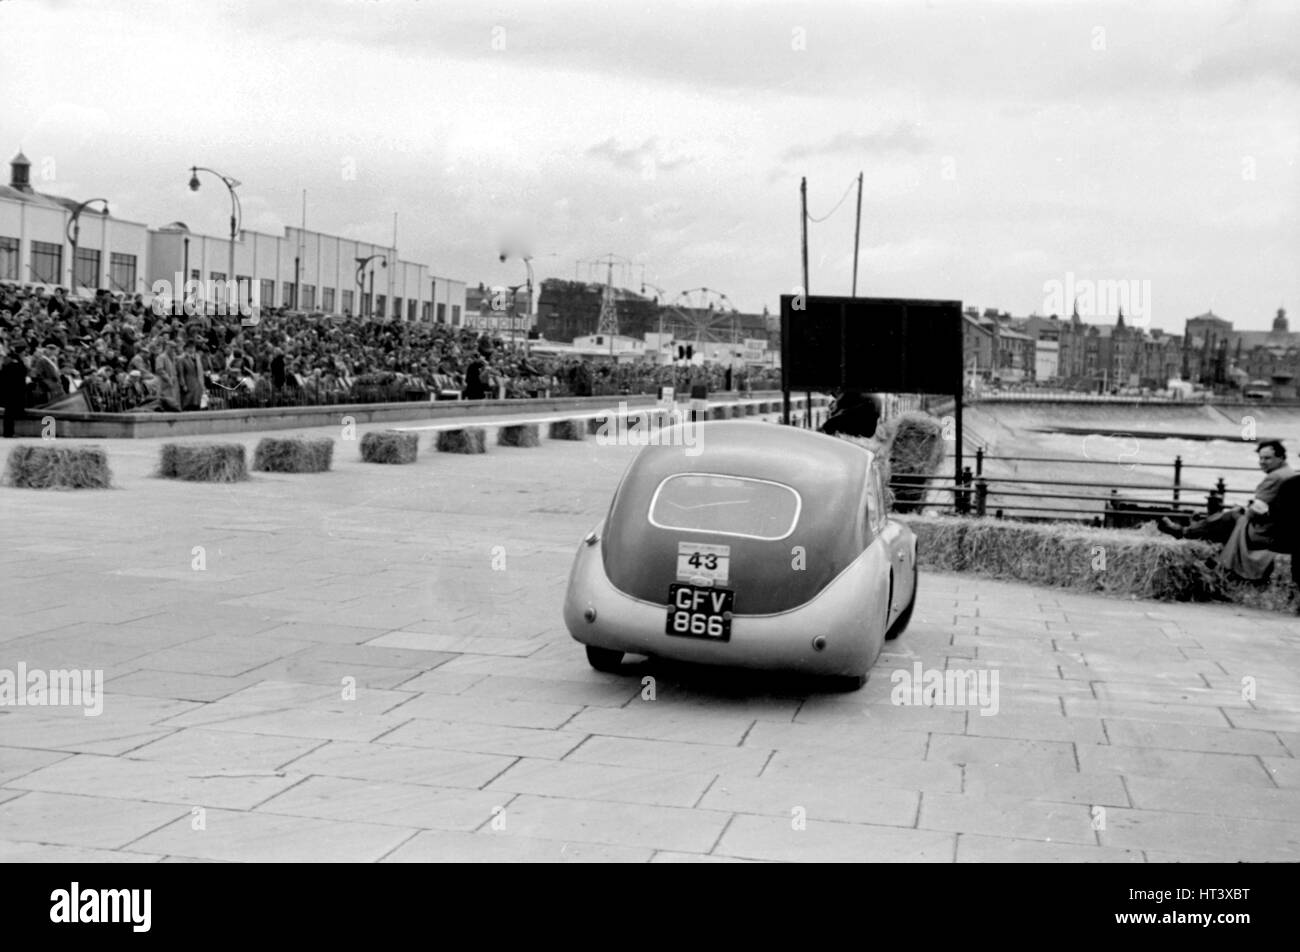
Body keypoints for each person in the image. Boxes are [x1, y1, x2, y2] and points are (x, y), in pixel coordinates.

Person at [1158, 440, 1296, 579]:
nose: (1262, 462)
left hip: (1265, 533)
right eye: (1260, 458)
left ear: (1281, 458)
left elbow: (1255, 512)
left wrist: (1244, 511)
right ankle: (1212, 558)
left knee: (1230, 517)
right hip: (1282, 532)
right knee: (1231, 518)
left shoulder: (1275, 477)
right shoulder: (1289, 473)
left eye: (1267, 458)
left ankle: (1184, 532)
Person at [1, 341, 29, 437]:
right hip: (12, 390)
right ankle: (8, 432)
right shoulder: (13, 362)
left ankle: (10, 432)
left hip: (14, 390)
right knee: (9, 412)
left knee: (10, 412)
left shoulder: (15, 361)